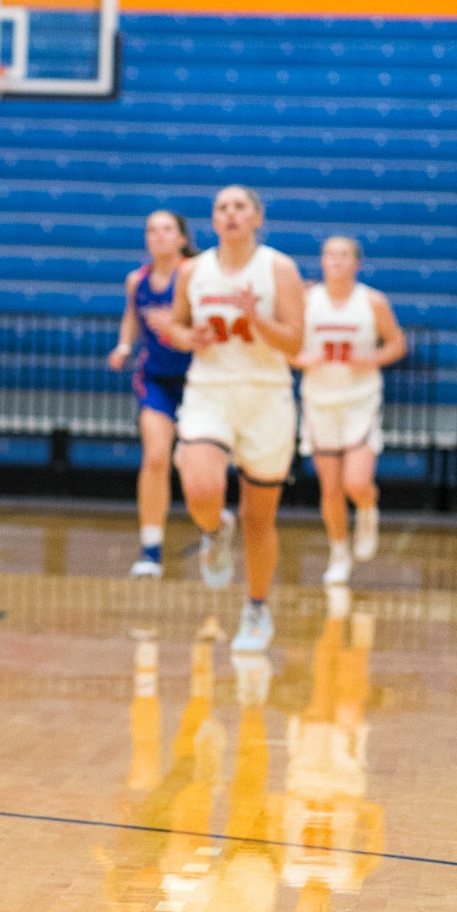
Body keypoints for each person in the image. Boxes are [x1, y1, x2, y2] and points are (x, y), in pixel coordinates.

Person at [150, 184, 303, 654]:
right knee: (199, 486)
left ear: (257, 217)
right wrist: (184, 334)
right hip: (210, 390)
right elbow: (176, 325)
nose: (230, 214)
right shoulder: (192, 269)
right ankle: (215, 531)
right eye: (222, 207)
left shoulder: (278, 268)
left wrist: (257, 318)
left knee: (261, 518)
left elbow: (296, 346)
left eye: (240, 207)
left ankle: (256, 608)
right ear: (213, 221)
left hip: (266, 396)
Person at [294, 237, 406, 585]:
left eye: (343, 255)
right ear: (322, 261)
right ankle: (339, 552)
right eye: (330, 254)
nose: (336, 260)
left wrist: (369, 360)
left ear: (356, 263)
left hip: (360, 400)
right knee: (330, 486)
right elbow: (285, 346)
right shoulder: (305, 300)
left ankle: (368, 509)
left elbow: (398, 344)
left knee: (355, 482)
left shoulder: (372, 302)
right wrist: (301, 360)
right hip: (319, 401)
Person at [108, 210, 195, 578]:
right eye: (152, 230)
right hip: (157, 378)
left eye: (166, 230)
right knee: (156, 456)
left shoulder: (196, 275)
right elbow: (132, 317)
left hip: (198, 380)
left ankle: (211, 524)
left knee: (190, 462)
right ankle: (150, 548)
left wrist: (177, 328)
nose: (158, 236)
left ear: (181, 238)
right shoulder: (137, 280)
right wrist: (124, 345)